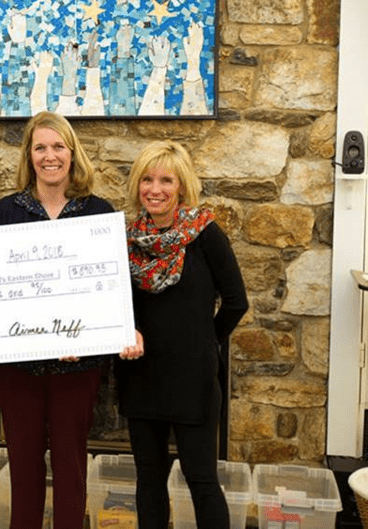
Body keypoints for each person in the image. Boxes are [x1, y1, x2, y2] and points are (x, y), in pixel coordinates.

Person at [0, 111, 143, 529]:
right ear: (29, 155)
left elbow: (114, 288)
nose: (49, 156)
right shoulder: (5, 212)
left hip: (79, 365)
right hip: (17, 366)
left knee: (72, 466)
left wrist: (100, 335)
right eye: (40, 147)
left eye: (58, 147)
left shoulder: (98, 213)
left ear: (72, 154)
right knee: (23, 463)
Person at [117, 140, 248, 528]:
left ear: (181, 185)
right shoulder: (124, 240)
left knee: (202, 479)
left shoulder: (205, 234)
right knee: (149, 480)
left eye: (166, 180)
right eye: (147, 179)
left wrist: (207, 341)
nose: (154, 189)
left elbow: (237, 302)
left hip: (193, 379)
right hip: (140, 376)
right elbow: (114, 302)